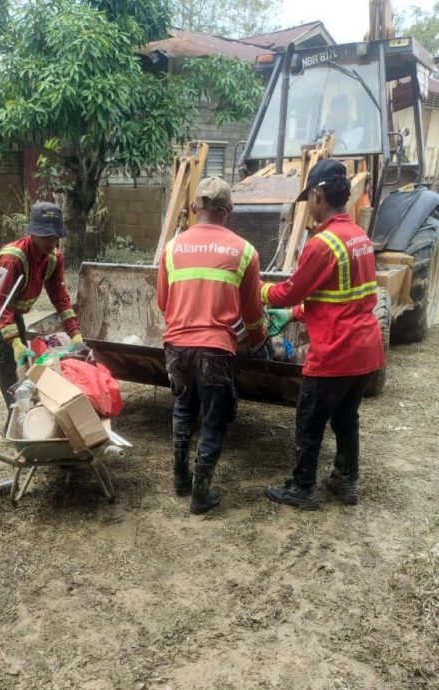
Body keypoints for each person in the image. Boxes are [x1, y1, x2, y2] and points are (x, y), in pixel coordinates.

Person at [262, 159, 384, 510]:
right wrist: (295, 315)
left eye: (309, 199)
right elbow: (338, 297)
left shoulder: (322, 243)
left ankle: (302, 488)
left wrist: (258, 291)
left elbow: (289, 291)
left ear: (318, 194)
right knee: (346, 418)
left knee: (310, 419)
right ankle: (346, 483)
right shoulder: (360, 238)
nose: (309, 208)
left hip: (336, 351)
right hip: (364, 350)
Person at [157, 177, 268, 514]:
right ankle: (200, 493)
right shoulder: (245, 251)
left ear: (195, 209)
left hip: (176, 345)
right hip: (216, 350)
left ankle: (180, 477)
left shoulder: (172, 249)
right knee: (213, 418)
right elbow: (252, 314)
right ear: (228, 211)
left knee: (183, 408)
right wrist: (259, 343)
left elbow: (163, 301)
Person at [0, 201, 83, 425]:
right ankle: (15, 420)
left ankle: (26, 414)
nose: (51, 242)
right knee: (7, 366)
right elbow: (1, 303)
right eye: (46, 237)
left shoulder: (54, 257)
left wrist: (75, 334)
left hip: (13, 312)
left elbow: (60, 297)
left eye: (55, 237)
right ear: (33, 233)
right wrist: (15, 343)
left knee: (23, 366)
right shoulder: (13, 258)